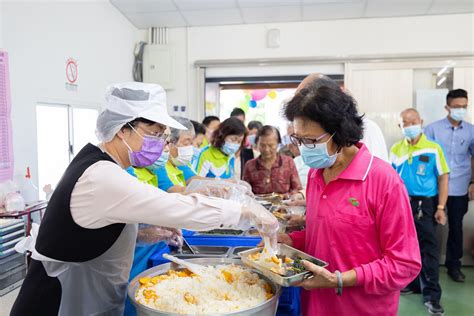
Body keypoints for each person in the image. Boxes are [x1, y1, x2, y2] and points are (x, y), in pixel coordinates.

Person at [11, 82, 278, 315]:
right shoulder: (101, 175)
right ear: (122, 129)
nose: (162, 144)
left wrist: (143, 232)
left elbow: (95, 226)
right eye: (154, 133)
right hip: (59, 302)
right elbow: (175, 206)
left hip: (88, 299)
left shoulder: (107, 165)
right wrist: (245, 211)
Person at [274, 77, 421, 315]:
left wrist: (340, 279)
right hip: (316, 306)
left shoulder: (382, 181)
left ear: (340, 133)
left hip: (361, 308)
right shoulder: (316, 174)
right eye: (299, 140)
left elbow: (404, 264)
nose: (304, 148)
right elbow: (324, 236)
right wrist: (291, 241)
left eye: (311, 141)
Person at [390, 108, 448, 315]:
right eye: (405, 123)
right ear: (400, 126)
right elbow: (392, 180)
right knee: (405, 248)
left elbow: (443, 178)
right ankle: (413, 285)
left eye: (413, 121)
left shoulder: (434, 148)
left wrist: (441, 207)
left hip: (427, 204)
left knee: (428, 249)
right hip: (402, 203)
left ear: (421, 121)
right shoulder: (396, 149)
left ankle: (432, 296)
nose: (409, 125)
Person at [424, 88, 474, 283]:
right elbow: (425, 158)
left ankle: (454, 265)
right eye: (456, 107)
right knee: (430, 229)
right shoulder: (432, 129)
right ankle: (428, 266)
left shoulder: (471, 131)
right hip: (434, 188)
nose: (460, 110)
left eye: (464, 107)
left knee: (456, 227)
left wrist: (472, 182)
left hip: (460, 186)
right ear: (447, 107)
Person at [243, 125, 303, 197]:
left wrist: (285, 196)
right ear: (257, 144)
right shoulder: (250, 165)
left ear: (278, 144)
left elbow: (297, 189)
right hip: (258, 206)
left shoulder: (288, 162)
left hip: (284, 205)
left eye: (271, 145)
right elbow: (245, 192)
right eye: (262, 145)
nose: (266, 150)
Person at [155, 117, 202, 193]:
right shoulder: (157, 165)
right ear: (171, 142)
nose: (190, 148)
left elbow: (193, 179)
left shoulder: (179, 163)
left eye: (191, 143)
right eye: (186, 143)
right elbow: (169, 188)